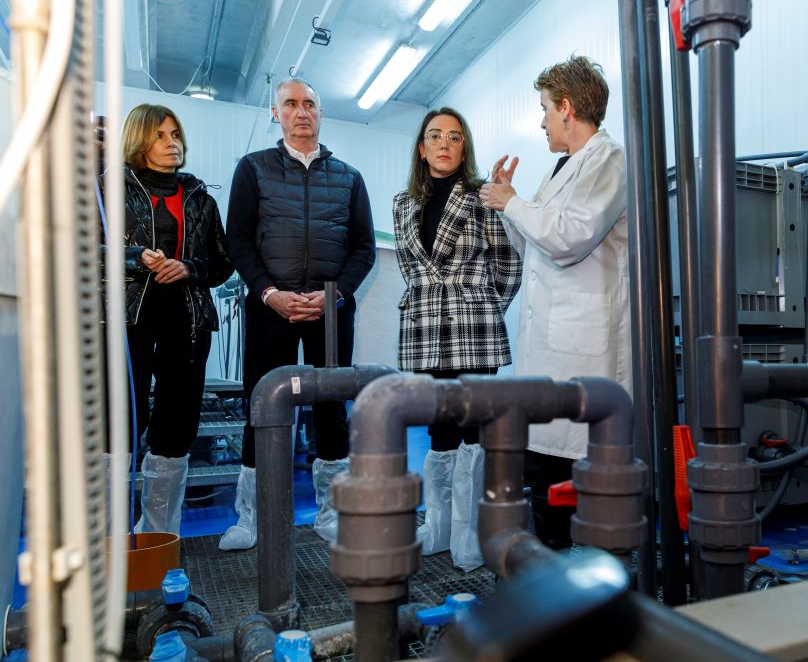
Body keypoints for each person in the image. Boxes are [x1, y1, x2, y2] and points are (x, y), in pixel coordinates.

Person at [479, 55, 630, 549]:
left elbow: (569, 238)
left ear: (566, 108)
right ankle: (555, 587)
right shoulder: (562, 169)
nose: (542, 121)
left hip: (583, 350)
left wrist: (513, 203)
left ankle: (576, 591)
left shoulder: (609, 160)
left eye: (545, 109)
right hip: (552, 348)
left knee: (571, 479)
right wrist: (508, 203)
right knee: (544, 475)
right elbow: (536, 245)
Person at [222, 77, 376, 549]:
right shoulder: (253, 169)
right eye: (290, 104)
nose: (301, 111)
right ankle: (253, 517)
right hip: (272, 308)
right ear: (277, 114)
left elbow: (363, 248)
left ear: (320, 113)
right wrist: (269, 292)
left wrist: (337, 296)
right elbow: (239, 241)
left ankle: (332, 513)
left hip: (331, 311)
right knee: (263, 408)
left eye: (309, 103)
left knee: (331, 411)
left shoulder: (348, 177)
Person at [393, 107, 522, 570]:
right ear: (422, 147)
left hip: (473, 328)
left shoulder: (482, 196)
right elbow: (411, 269)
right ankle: (440, 526)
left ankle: (469, 532)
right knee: (438, 425)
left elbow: (508, 264)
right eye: (435, 136)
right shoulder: (401, 203)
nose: (444, 144)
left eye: (454, 136)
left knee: (473, 428)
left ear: (463, 146)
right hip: (424, 327)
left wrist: (482, 308)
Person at [108, 104, 233, 536]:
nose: (171, 142)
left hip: (188, 324)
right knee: (119, 425)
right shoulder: (107, 189)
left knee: (177, 426)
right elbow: (84, 247)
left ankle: (160, 535)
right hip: (126, 323)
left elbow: (221, 264)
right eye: (160, 135)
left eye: (175, 134)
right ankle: (110, 538)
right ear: (139, 140)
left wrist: (189, 268)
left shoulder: (200, 198)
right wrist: (137, 258)